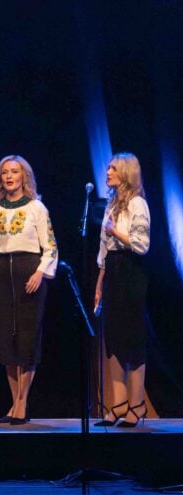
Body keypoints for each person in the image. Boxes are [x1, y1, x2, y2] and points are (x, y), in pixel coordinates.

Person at [0, 156, 57, 425]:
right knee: (6, 339)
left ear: (24, 177)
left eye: (14, 172)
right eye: (5, 173)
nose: (9, 176)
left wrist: (39, 272)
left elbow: (51, 247)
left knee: (27, 338)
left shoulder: (36, 208)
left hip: (28, 270)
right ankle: (15, 402)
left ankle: (22, 402)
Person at [94, 152, 151, 428]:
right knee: (113, 338)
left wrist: (114, 231)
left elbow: (141, 245)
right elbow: (104, 250)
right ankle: (117, 404)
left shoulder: (138, 204)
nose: (107, 173)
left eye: (113, 168)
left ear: (126, 173)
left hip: (130, 271)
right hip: (113, 271)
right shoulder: (111, 203)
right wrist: (99, 284)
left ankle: (137, 404)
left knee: (132, 338)